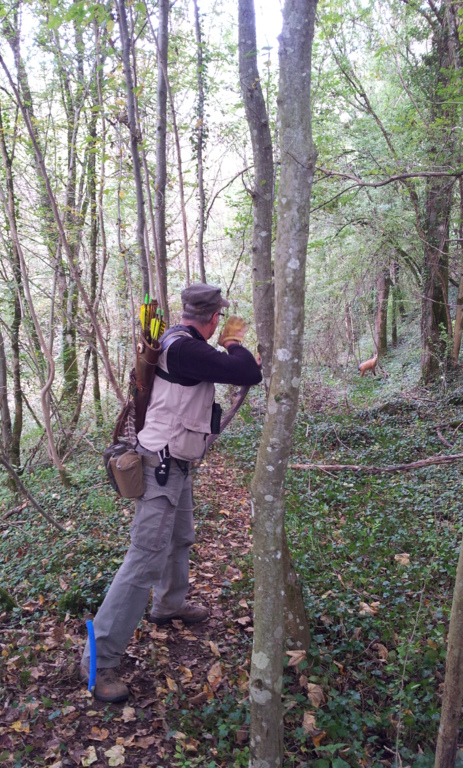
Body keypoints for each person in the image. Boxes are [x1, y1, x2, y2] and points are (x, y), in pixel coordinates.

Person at [80, 283, 262, 702]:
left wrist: (227, 347)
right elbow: (247, 372)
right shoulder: (184, 349)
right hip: (161, 467)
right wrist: (234, 342)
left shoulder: (178, 342)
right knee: (144, 559)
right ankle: (98, 658)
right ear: (213, 318)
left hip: (174, 464)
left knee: (180, 538)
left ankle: (168, 604)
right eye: (220, 320)